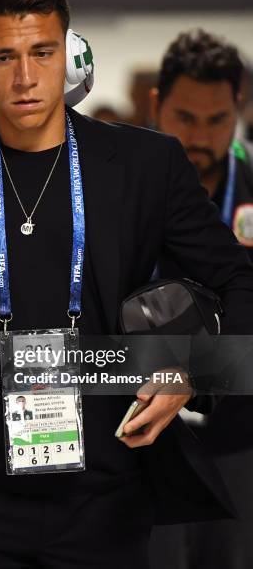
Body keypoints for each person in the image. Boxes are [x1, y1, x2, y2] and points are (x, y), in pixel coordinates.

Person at [0, 0, 253, 568]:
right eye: (3, 57)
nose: (25, 77)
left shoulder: (144, 165)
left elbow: (241, 279)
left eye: (43, 52)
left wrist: (191, 375)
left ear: (72, 56)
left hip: (108, 494)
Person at [150, 28, 253, 569]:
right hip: (142, 433)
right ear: (156, 106)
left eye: (217, 120)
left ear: (239, 109)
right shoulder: (120, 185)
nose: (200, 136)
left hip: (242, 433)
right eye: (185, 118)